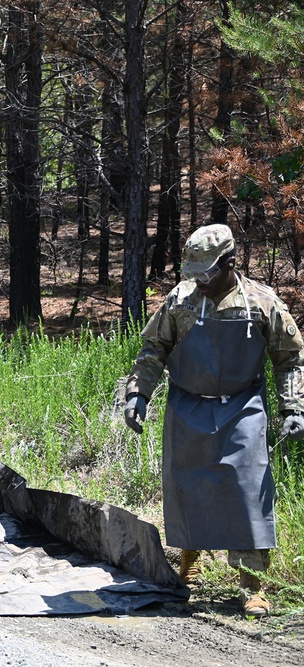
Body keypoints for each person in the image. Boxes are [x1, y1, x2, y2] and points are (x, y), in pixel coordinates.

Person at [123, 223, 304, 618]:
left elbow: (290, 359)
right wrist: (138, 394)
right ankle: (190, 560)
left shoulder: (262, 302)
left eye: (207, 273)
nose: (199, 282)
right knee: (189, 486)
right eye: (193, 273)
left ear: (229, 264)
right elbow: (154, 350)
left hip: (242, 406)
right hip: (189, 406)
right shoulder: (181, 301)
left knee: (247, 489)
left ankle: (251, 583)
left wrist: (294, 407)